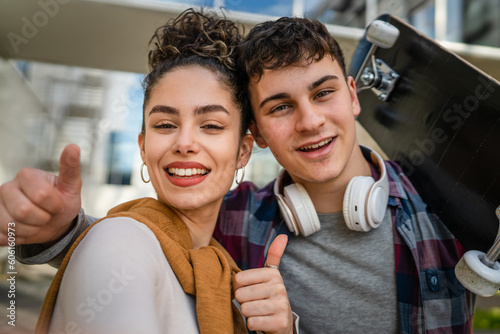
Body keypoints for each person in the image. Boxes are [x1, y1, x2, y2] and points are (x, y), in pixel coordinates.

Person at [0, 14, 475, 334]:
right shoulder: (237, 217)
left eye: (323, 93)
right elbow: (151, 245)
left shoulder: (451, 210)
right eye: (281, 106)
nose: (310, 120)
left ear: (354, 97)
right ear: (258, 136)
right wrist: (58, 232)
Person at [25, 9, 296, 334]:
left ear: (243, 151)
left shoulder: (228, 280)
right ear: (143, 147)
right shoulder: (118, 242)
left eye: (210, 125)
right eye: (165, 125)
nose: (184, 143)